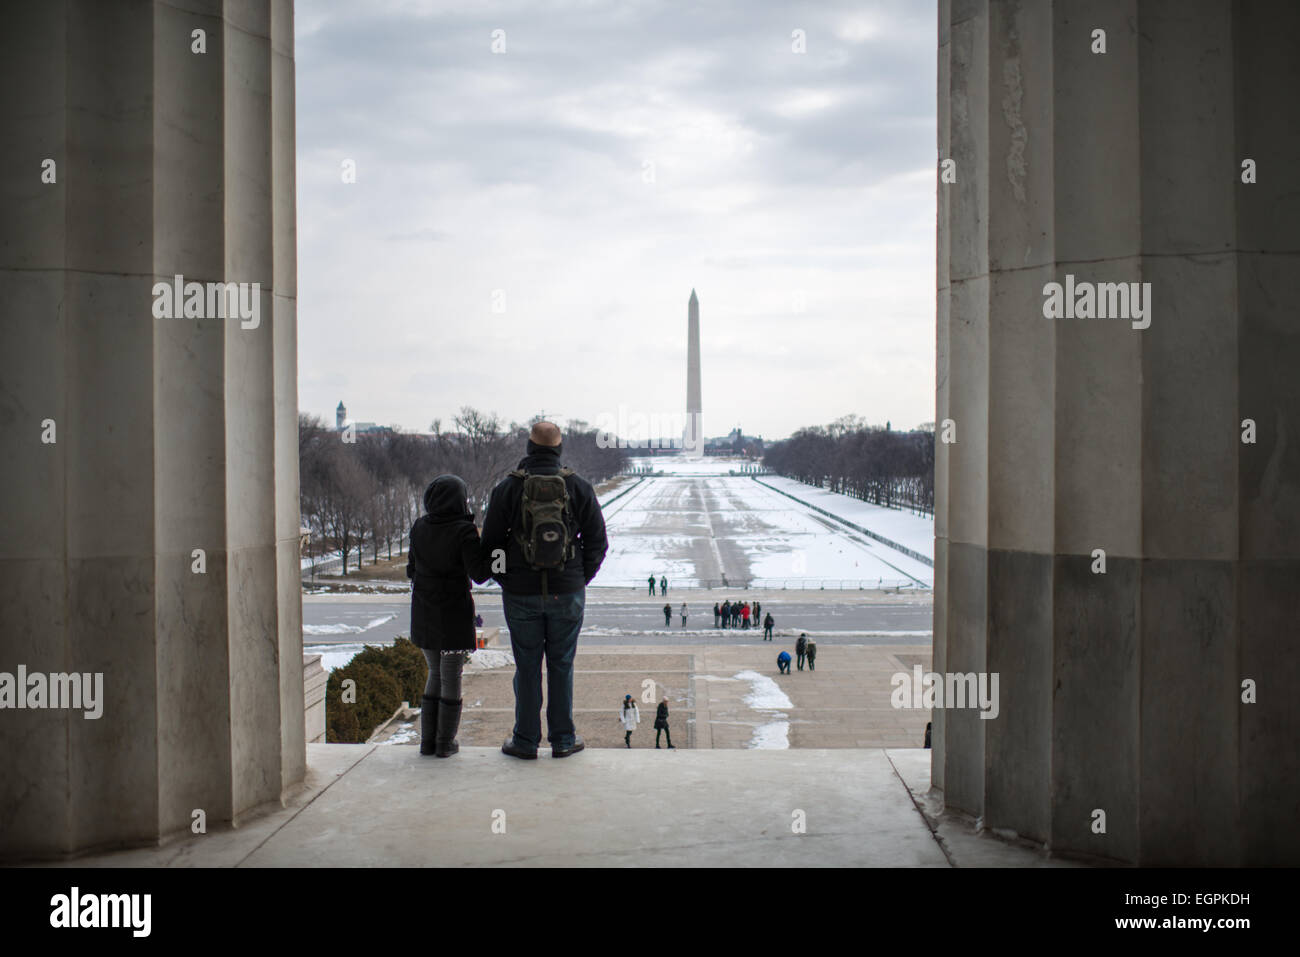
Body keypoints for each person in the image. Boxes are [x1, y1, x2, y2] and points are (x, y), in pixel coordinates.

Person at [480, 421, 609, 760]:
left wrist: (507, 579)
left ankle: (525, 740)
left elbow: (491, 546)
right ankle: (563, 739)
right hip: (567, 593)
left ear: (529, 447)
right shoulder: (579, 487)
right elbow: (598, 542)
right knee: (562, 665)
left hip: (521, 594)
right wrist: (579, 577)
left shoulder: (507, 489)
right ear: (559, 448)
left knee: (527, 667)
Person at [406, 475, 494, 757]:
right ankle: (445, 742)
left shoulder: (419, 527)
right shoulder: (463, 531)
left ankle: (427, 742)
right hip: (453, 611)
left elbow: (411, 570)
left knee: (434, 673)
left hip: (424, 610)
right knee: (451, 675)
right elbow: (480, 574)